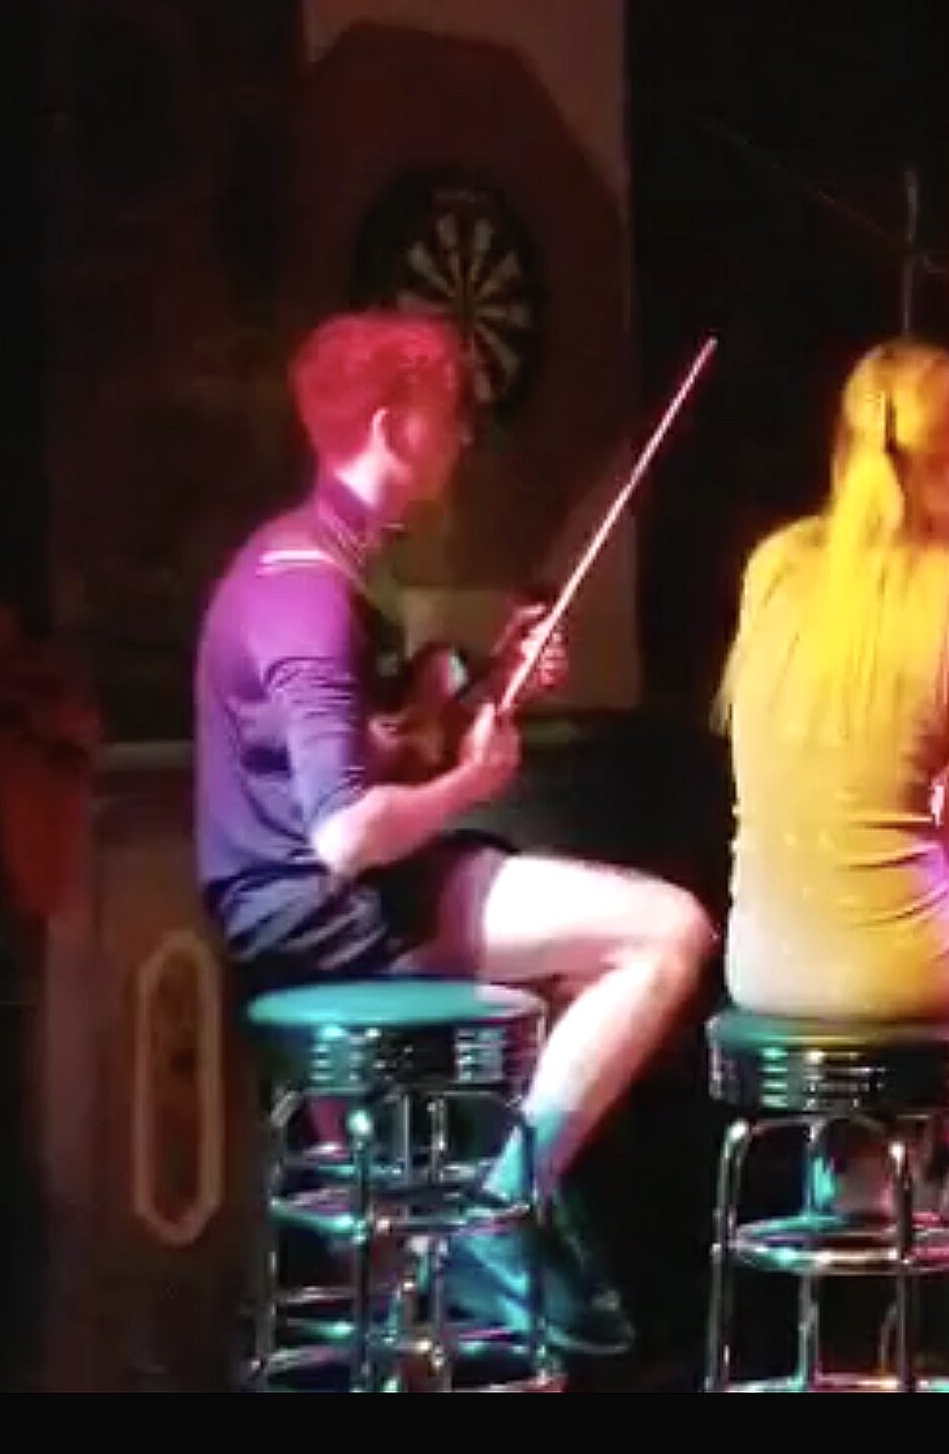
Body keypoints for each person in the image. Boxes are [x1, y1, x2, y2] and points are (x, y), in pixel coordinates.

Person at [193, 309, 716, 1357]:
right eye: (451, 414)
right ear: (394, 425)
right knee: (667, 932)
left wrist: (487, 684)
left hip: (315, 899)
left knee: (580, 971)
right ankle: (493, 1211)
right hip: (320, 912)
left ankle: (454, 1251)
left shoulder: (319, 557)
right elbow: (344, 834)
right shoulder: (307, 593)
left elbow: (373, 753)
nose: (467, 435)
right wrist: (471, 779)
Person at [717, 339, 949, 1224]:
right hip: (904, 974)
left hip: (759, 967)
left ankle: (861, 1159)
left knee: (915, 920)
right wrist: (945, 881)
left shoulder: (774, 563)